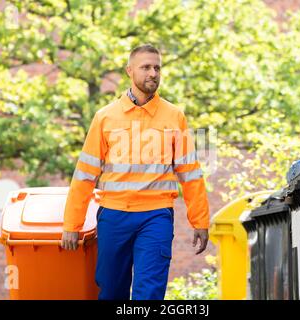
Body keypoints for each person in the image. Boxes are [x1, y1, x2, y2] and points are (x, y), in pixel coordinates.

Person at [61, 44, 210, 300]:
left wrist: (200, 220)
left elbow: (190, 173)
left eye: (157, 67)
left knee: (149, 292)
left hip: (156, 217)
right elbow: (85, 174)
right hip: (113, 216)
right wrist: (71, 224)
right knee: (111, 291)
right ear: (130, 71)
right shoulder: (105, 117)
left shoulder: (174, 116)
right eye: (146, 67)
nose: (153, 73)